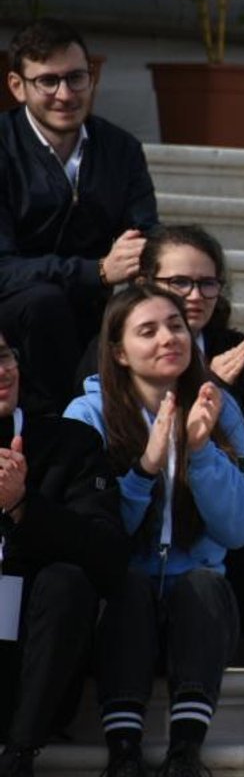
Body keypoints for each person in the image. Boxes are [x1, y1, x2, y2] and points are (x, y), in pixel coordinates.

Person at [64, 285, 244, 777]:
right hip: (118, 604)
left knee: (204, 583)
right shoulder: (87, 416)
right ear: (118, 351)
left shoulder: (220, 409)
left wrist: (200, 454)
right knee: (126, 587)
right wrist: (146, 467)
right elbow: (93, 538)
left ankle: (185, 753)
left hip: (196, 608)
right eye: (147, 331)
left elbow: (243, 528)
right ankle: (125, 752)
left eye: (175, 326)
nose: (167, 338)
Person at [0, 18, 157, 415]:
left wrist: (145, 260)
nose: (65, 94)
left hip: (93, 309)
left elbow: (145, 232)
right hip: (19, 310)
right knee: (45, 304)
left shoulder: (121, 149)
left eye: (76, 78)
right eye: (48, 81)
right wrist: (98, 271)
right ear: (17, 86)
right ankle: (65, 427)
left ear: (93, 77)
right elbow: (3, 268)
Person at [0, 333, 125, 777]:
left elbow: (109, 556)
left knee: (66, 581)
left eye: (4, 355)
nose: (1, 371)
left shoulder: (70, 442)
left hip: (29, 656)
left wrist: (23, 506)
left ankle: (19, 754)